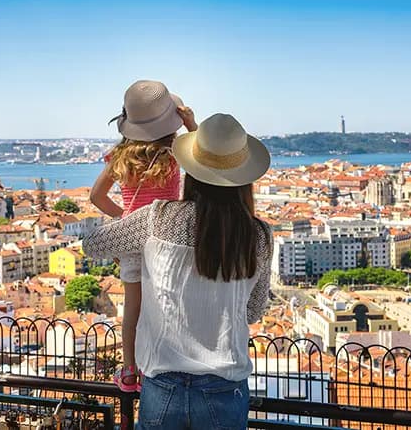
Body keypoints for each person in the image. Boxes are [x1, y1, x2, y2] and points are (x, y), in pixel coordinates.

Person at [84, 113, 273, 429]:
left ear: (192, 173)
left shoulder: (158, 218)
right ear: (244, 178)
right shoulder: (258, 236)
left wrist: (130, 233)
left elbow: (93, 245)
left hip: (163, 385)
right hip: (225, 387)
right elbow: (253, 311)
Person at [90, 80, 197, 393]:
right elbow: (205, 163)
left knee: (132, 309)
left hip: (133, 237)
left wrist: (125, 218)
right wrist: (192, 125)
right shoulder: (175, 153)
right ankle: (169, 362)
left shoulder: (120, 157)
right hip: (168, 235)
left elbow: (97, 197)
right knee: (169, 303)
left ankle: (129, 371)